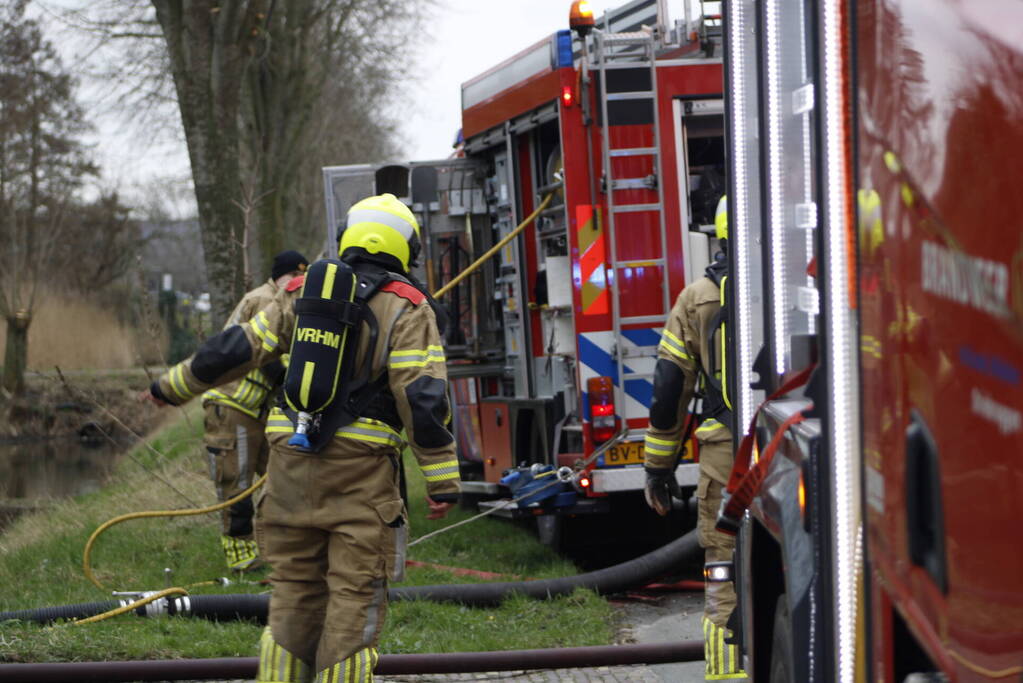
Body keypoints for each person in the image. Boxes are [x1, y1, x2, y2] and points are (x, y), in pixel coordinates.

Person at [143, 193, 459, 683]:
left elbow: (237, 348)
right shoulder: (409, 306)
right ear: (406, 247)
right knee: (353, 605)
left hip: (288, 466)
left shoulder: (303, 292)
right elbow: (421, 398)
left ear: (348, 237)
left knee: (292, 596)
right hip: (360, 475)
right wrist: (442, 481)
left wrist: (171, 386)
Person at [643, 196, 746, 680]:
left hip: (727, 455)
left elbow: (668, 390)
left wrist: (658, 469)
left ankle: (725, 675)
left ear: (718, 235)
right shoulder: (804, 279)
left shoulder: (697, 297)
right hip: (794, 447)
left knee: (724, 569)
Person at [200, 249, 309, 571]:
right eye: (293, 276)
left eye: (303, 276)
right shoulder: (266, 300)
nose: (298, 282)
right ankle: (241, 558)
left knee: (280, 481)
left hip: (259, 410)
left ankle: (274, 549)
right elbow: (264, 356)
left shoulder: (287, 302)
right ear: (279, 277)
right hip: (233, 405)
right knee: (236, 483)